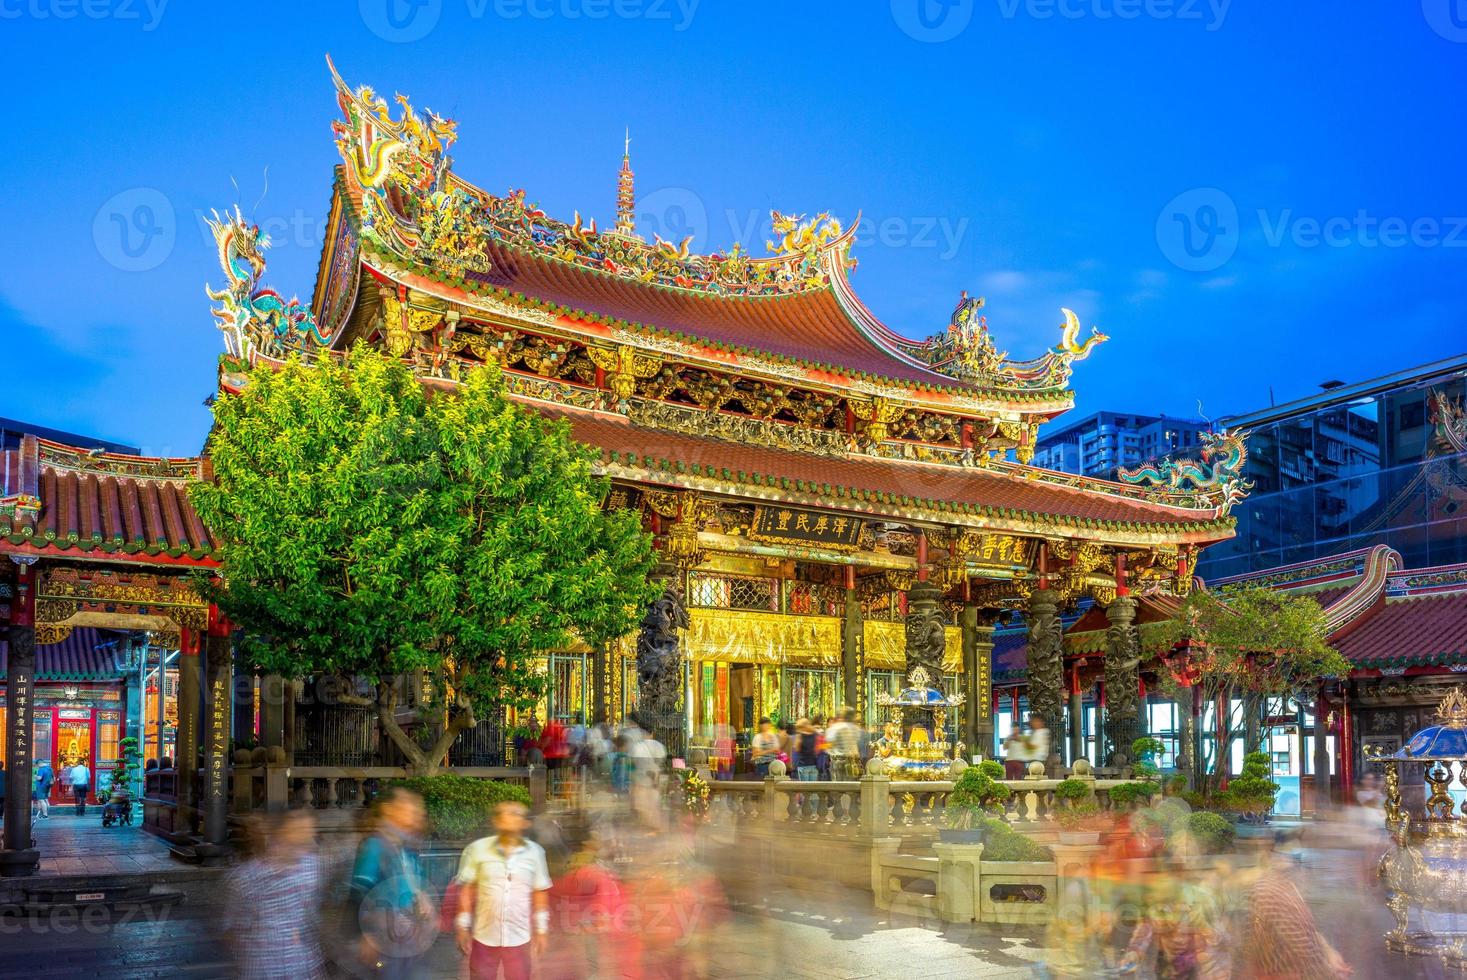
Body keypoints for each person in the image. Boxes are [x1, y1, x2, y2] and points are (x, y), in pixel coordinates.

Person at [455, 800, 552, 980]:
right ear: (495, 821)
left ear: (525, 823)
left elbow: (539, 891)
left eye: (514, 813)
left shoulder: (535, 853)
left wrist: (541, 930)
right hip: (484, 937)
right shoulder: (477, 849)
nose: (506, 816)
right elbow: (467, 890)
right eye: (501, 813)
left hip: (519, 938)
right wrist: (462, 926)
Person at [223, 808, 326, 979]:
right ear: (281, 832)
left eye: (310, 830)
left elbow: (313, 916)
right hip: (263, 966)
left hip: (302, 964)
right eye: (300, 830)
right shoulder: (248, 876)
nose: (307, 836)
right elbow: (233, 927)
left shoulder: (312, 867)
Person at [350, 786, 434, 979]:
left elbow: (413, 883)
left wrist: (422, 897)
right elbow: (360, 891)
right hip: (385, 937)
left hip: (406, 935)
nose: (416, 813)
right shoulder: (375, 845)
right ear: (389, 810)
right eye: (409, 807)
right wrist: (368, 934)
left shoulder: (404, 847)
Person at [825, 707, 862, 781]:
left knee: (838, 787)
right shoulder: (855, 728)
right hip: (852, 762)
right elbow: (856, 744)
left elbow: (828, 744)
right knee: (850, 787)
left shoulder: (834, 728)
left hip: (837, 761)